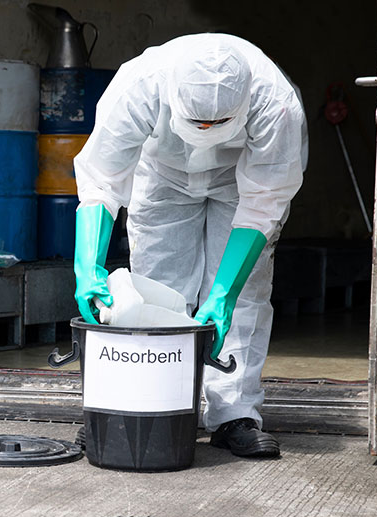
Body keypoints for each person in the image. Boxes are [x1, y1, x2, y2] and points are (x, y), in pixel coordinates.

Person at [73, 33, 308, 458]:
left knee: (243, 295)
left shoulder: (276, 103)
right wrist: (86, 267)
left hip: (241, 181)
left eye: (217, 124)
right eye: (197, 122)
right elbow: (103, 178)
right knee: (156, 289)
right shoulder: (139, 84)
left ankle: (234, 414)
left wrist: (222, 295)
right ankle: (143, 406)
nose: (205, 132)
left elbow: (263, 204)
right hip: (161, 173)